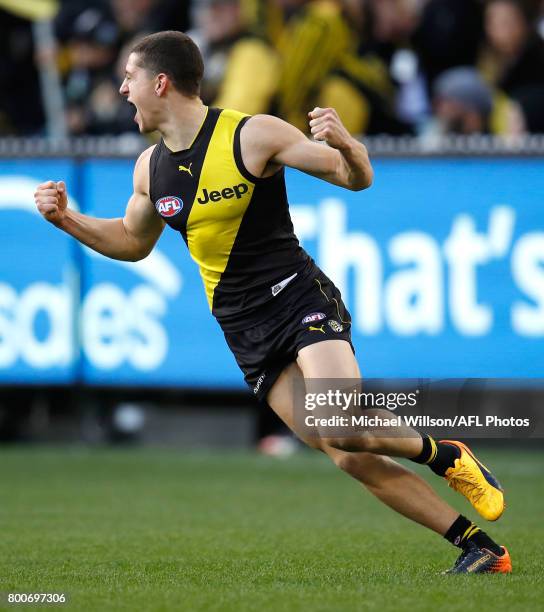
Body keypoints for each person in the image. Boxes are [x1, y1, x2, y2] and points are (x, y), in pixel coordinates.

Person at [34, 30, 511, 575]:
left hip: (298, 298)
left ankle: (445, 453)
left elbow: (354, 177)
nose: (121, 89)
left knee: (340, 421)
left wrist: (349, 146)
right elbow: (132, 242)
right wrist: (67, 220)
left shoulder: (250, 135)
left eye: (129, 77)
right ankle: (480, 548)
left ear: (160, 83)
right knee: (348, 454)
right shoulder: (149, 168)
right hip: (244, 329)